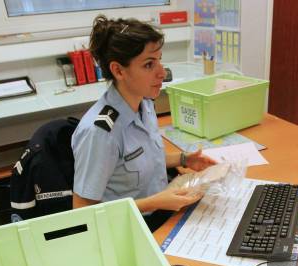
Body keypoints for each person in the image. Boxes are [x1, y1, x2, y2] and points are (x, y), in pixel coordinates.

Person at [72, 16, 216, 230]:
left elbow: (141, 159)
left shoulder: (145, 103)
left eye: (159, 59)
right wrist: (155, 202)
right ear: (118, 70)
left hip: (162, 210)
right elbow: (82, 212)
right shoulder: (100, 132)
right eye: (149, 64)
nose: (162, 72)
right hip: (130, 227)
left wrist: (184, 159)